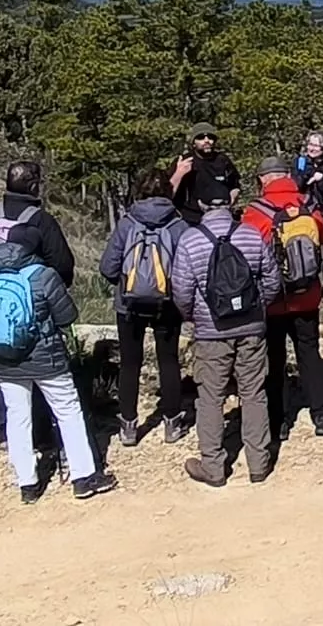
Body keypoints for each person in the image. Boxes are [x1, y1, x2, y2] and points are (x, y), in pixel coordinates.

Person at [0, 229, 118, 502]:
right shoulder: (44, 275)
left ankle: (27, 484)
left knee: (17, 418)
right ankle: (83, 477)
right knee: (68, 412)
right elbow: (67, 316)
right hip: (47, 359)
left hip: (5, 360)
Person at [170, 192, 282, 487]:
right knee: (254, 392)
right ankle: (259, 463)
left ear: (201, 204)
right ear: (231, 203)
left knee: (210, 397)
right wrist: (258, 308)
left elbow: (181, 291)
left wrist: (194, 317)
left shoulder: (190, 240)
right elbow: (272, 280)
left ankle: (214, 467)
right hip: (251, 327)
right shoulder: (251, 234)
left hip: (212, 331)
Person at [0, 161, 77, 439]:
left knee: (1, 355)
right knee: (39, 364)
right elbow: (63, 264)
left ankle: (3, 425)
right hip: (35, 306)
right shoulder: (40, 220)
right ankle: (40, 426)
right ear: (33, 185)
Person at [242, 157, 323, 440]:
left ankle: (279, 421)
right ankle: (322, 413)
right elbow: (322, 234)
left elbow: (249, 248)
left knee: (275, 358)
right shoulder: (307, 204)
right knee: (309, 352)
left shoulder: (256, 211)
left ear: (263, 179)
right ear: (287, 175)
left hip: (273, 299)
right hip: (306, 295)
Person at [99, 167, 191, 447]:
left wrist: (127, 282)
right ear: (168, 191)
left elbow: (107, 267)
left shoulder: (127, 223)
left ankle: (128, 426)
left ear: (138, 189)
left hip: (129, 304)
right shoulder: (178, 225)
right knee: (169, 361)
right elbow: (187, 270)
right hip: (168, 304)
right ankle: (172, 423)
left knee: (129, 363)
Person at [173, 122, 242, 211]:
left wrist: (231, 200)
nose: (207, 140)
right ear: (193, 143)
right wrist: (179, 174)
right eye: (201, 137)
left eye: (210, 137)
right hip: (193, 214)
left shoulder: (223, 160)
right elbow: (168, 189)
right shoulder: (185, 161)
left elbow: (235, 184)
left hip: (222, 211)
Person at [294, 131, 323, 215]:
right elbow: (295, 186)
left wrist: (322, 180)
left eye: (316, 146)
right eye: (310, 144)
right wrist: (305, 176)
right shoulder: (300, 162)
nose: (311, 149)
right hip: (304, 212)